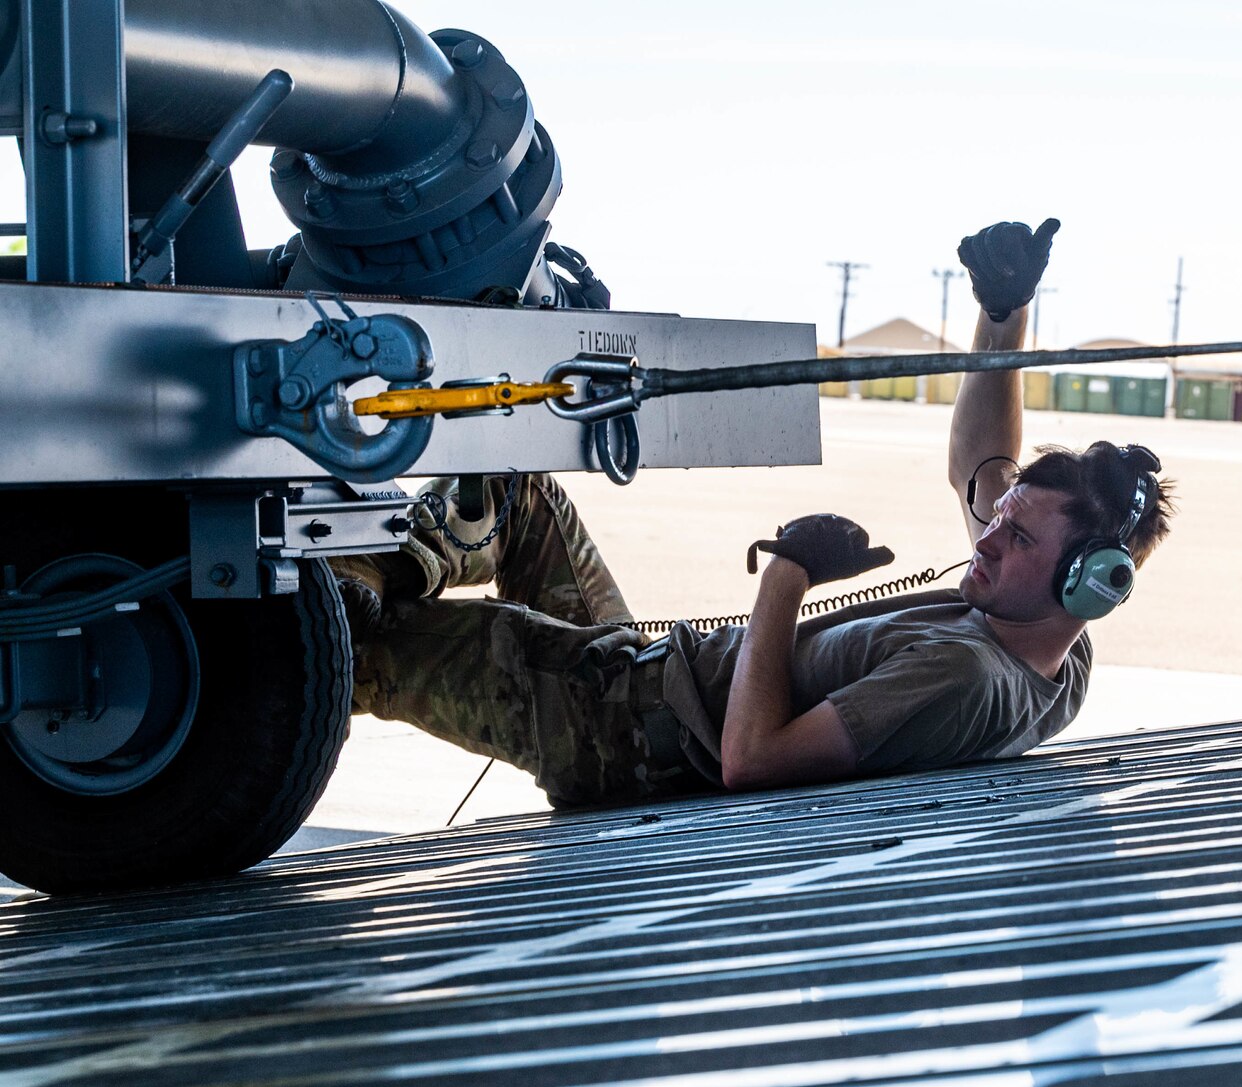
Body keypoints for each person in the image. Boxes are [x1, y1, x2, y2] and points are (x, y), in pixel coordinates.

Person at [332, 218, 1175, 806]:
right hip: (653, 671)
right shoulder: (1050, 642)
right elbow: (977, 465)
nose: (985, 533)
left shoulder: (964, 676)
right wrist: (1004, 313)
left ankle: (346, 607)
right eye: (1001, 518)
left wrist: (788, 575)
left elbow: (750, 762)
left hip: (621, 728)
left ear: (1087, 585)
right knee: (519, 494)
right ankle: (377, 575)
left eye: (1016, 533)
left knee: (350, 649)